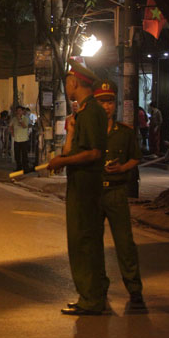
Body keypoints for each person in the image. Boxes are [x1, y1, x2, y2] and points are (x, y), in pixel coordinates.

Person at [47, 60, 107, 315]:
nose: (67, 84)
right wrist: (70, 133)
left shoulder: (93, 111)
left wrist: (63, 161)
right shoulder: (81, 113)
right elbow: (72, 149)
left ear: (75, 82)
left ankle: (92, 298)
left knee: (85, 241)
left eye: (69, 80)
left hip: (87, 186)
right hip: (77, 184)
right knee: (79, 240)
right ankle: (89, 294)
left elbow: (93, 153)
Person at [94, 80, 145, 309]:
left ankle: (134, 290)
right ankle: (99, 288)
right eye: (102, 102)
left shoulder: (124, 132)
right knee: (94, 245)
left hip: (116, 192)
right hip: (94, 193)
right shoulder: (88, 132)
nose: (106, 107)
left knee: (125, 243)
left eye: (110, 102)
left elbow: (135, 157)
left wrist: (122, 168)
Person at [9, 106, 30, 172]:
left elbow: (24, 126)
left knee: (24, 155)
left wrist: (20, 119)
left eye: (20, 110)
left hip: (24, 139)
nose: (18, 112)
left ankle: (26, 168)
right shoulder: (14, 119)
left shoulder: (25, 118)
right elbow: (10, 125)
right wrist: (12, 132)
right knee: (17, 155)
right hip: (16, 139)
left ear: (23, 111)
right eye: (17, 111)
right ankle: (19, 167)